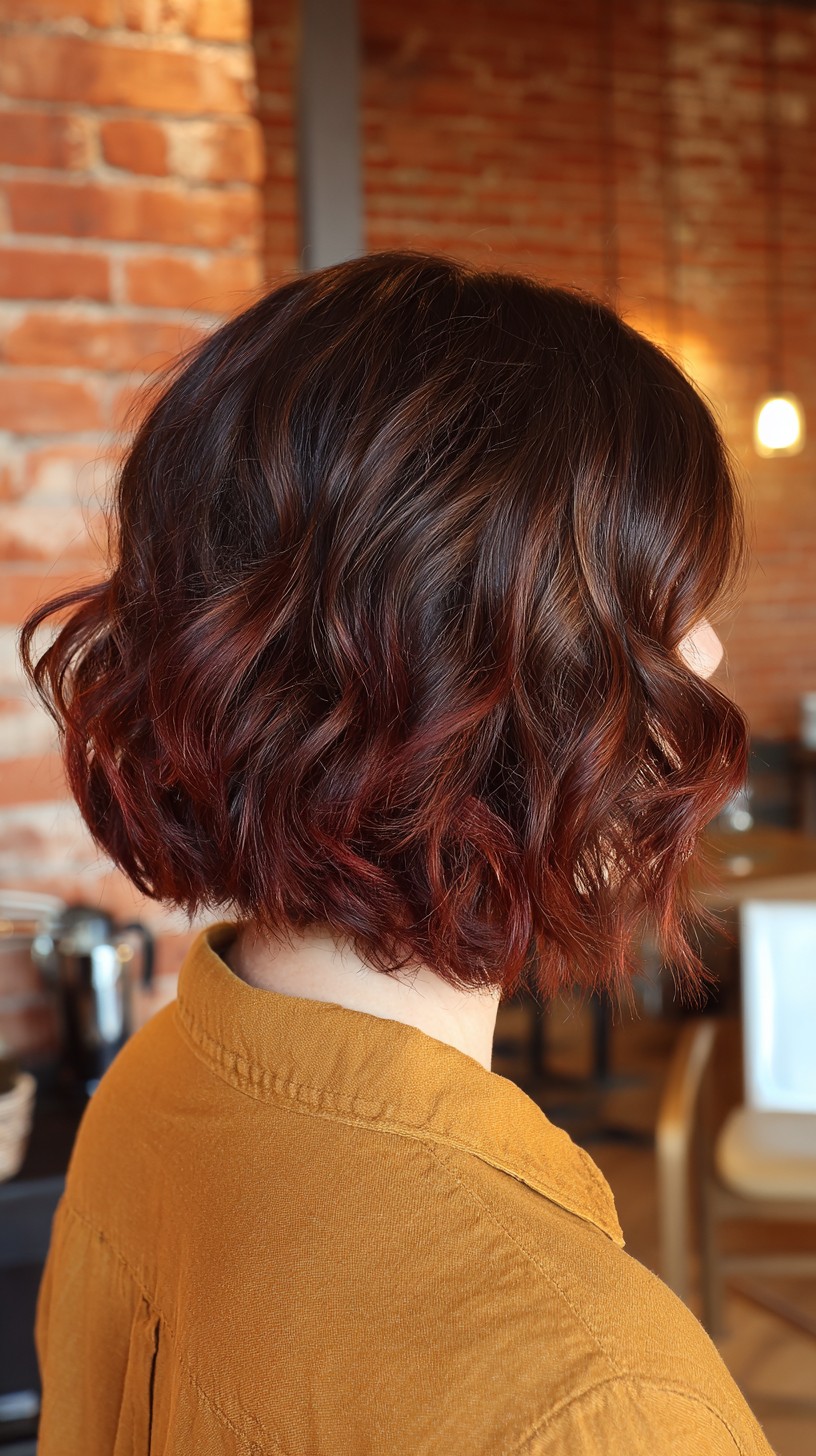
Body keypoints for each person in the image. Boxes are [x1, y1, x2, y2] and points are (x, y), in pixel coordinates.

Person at [21, 250, 775, 1454]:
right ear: (473, 677)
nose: (707, 655)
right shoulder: (592, 1403)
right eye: (655, 605)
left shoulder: (155, 1091)